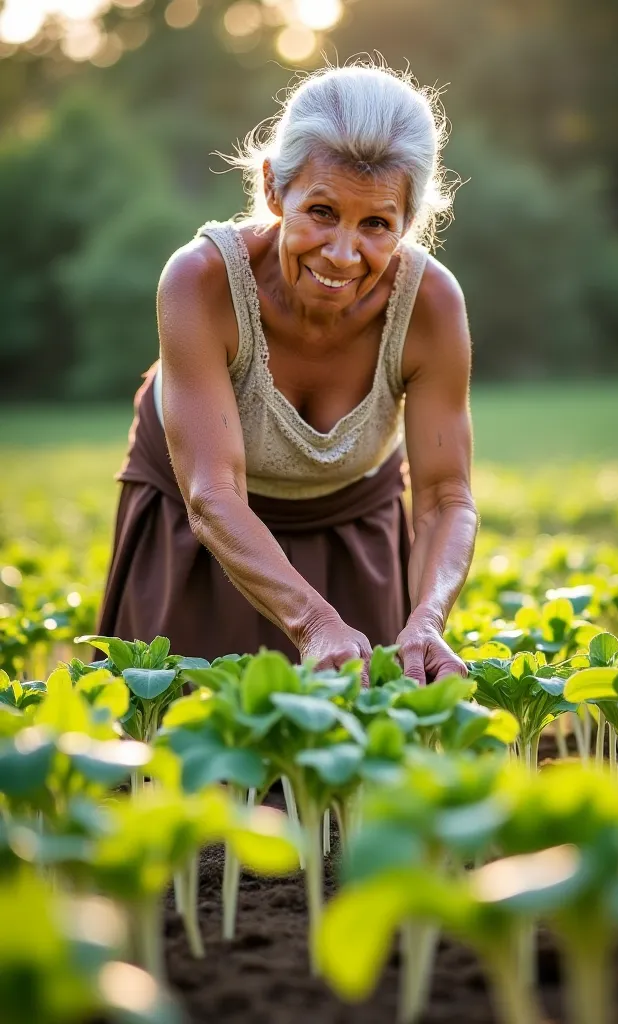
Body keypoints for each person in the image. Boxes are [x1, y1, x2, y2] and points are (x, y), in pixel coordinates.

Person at [98, 61, 478, 685]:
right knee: (186, 763)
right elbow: (213, 495)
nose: (342, 253)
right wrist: (313, 623)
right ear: (275, 189)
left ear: (409, 224)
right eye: (322, 212)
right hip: (199, 543)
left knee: (354, 770)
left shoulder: (431, 304)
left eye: (377, 224)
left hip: (355, 538)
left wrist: (428, 618)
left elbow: (444, 497)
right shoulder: (201, 281)